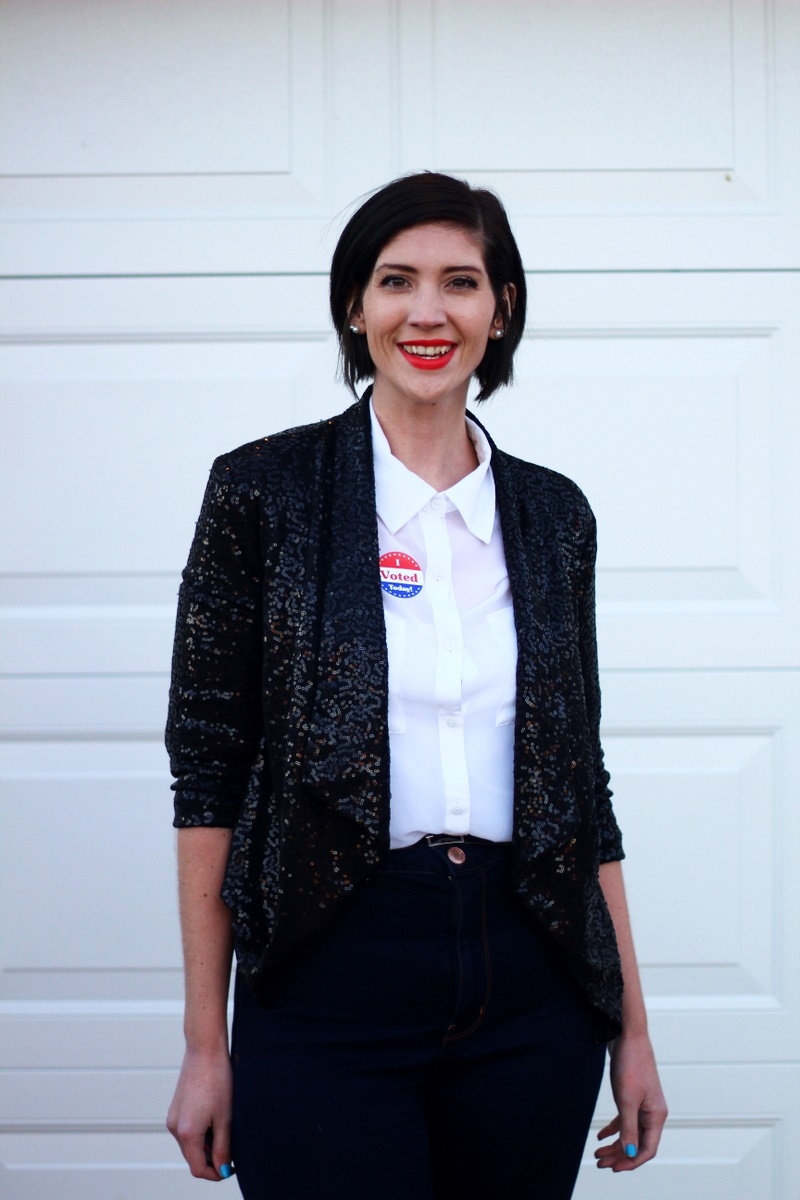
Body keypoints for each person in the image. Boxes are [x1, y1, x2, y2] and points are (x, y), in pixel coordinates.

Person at [165, 171, 667, 1200]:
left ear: (501, 307)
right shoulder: (263, 493)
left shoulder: (552, 515)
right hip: (326, 979)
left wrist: (632, 1029)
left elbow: (580, 788)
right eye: (395, 281)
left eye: (460, 282)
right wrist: (205, 1043)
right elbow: (209, 774)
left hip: (531, 991)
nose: (427, 312)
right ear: (356, 305)